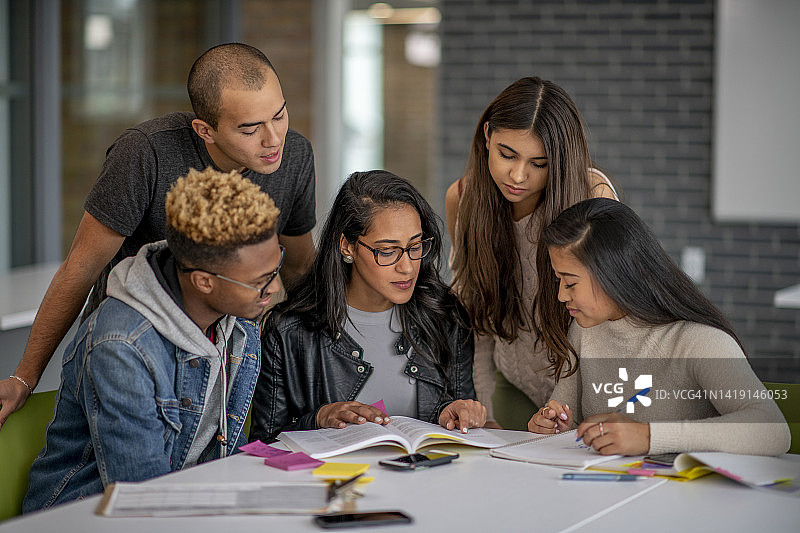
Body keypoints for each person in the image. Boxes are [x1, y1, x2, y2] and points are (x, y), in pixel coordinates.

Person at [0, 43, 316, 427]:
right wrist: (24, 377)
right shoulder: (145, 153)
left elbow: (300, 267)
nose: (273, 139)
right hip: (130, 356)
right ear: (205, 131)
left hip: (225, 362)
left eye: (279, 116)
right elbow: (80, 269)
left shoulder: (295, 155)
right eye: (249, 129)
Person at [23, 167, 283, 511]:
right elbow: (143, 496)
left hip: (185, 501)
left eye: (277, 267)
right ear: (204, 281)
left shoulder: (236, 319)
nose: (275, 289)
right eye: (262, 280)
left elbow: (222, 449)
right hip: (87, 514)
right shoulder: (120, 346)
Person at [527, 198, 790, 456]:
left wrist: (648, 436)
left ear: (614, 275)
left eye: (570, 282)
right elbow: (569, 421)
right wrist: (555, 426)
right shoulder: (584, 329)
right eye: (558, 279)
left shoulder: (700, 341)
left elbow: (774, 431)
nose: (561, 295)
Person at [250, 170, 485, 443]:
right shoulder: (289, 331)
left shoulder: (445, 316)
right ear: (347, 246)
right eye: (387, 251)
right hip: (332, 483)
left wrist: (464, 413)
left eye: (415, 246)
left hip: (427, 480)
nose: (407, 267)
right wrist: (317, 419)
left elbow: (464, 424)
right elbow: (263, 447)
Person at [446, 76, 618, 430]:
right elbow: (474, 319)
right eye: (507, 154)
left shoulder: (591, 192)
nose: (518, 175)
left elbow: (603, 322)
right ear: (487, 134)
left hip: (586, 382)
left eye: (539, 164)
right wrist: (482, 412)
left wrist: (563, 403)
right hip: (513, 381)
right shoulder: (463, 198)